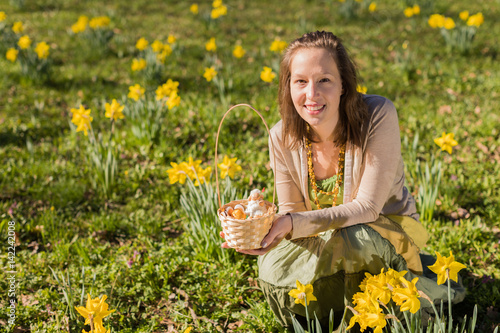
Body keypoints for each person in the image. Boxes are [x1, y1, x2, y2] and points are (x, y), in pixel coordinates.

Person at [222, 31, 465, 331]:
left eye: (324, 79)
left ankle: (380, 308)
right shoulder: (280, 136)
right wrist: (269, 234)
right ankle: (333, 313)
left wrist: (293, 223)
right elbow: (292, 211)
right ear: (288, 87)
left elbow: (367, 208)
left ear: (343, 86)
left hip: (384, 230)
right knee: (272, 266)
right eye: (300, 81)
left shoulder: (378, 116)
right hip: (325, 236)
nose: (311, 94)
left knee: (353, 238)